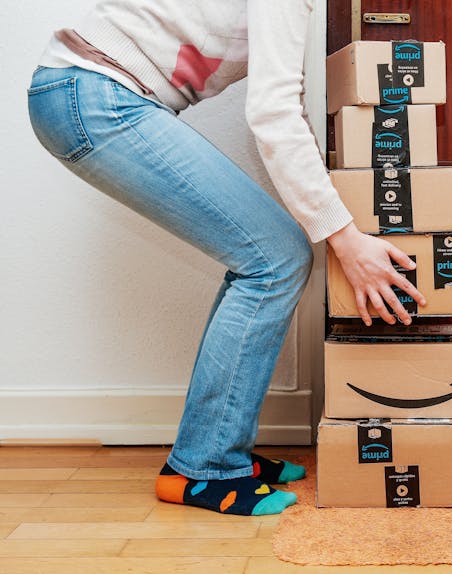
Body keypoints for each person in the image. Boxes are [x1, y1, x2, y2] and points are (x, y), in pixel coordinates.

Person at [27, 0, 426, 517]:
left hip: (89, 92)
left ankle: (216, 447)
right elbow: (272, 112)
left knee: (272, 254)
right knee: (275, 259)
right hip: (94, 94)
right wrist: (346, 240)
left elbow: (283, 102)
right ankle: (204, 466)